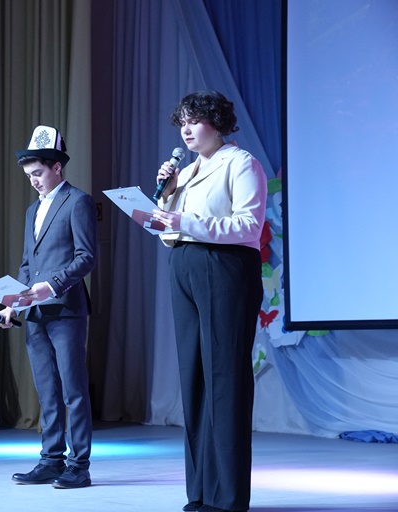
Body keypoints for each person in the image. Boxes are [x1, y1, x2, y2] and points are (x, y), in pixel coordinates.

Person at [152, 91, 266, 512]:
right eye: (182, 121)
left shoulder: (240, 162)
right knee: (194, 378)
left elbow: (249, 224)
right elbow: (169, 232)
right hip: (184, 264)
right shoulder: (185, 171)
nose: (186, 129)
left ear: (216, 123)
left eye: (194, 120)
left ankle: (228, 496)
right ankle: (201, 490)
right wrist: (166, 197)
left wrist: (186, 221)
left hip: (225, 267)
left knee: (225, 378)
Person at [0, 125, 97, 489]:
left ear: (57, 167)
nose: (34, 181)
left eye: (38, 173)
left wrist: (51, 285)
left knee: (73, 390)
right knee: (47, 392)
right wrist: (14, 304)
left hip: (65, 309)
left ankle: (79, 465)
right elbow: (28, 263)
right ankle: (51, 459)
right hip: (36, 313)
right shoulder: (32, 210)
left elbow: (86, 257)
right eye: (29, 176)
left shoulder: (78, 202)